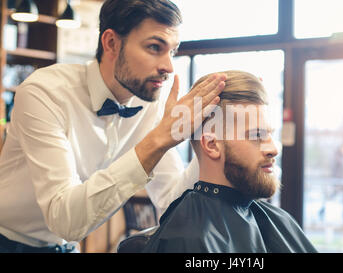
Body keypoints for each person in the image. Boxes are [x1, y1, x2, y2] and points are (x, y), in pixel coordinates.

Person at [0, 0, 226, 253]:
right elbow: (65, 220)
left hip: (67, 248)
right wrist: (159, 139)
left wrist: (206, 146)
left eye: (172, 51)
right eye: (154, 47)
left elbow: (170, 200)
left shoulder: (153, 105)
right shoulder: (44, 92)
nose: (168, 67)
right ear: (111, 43)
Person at [141, 71, 317, 253]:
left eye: (270, 134)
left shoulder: (279, 219)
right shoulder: (189, 240)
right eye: (257, 135)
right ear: (212, 145)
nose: (274, 149)